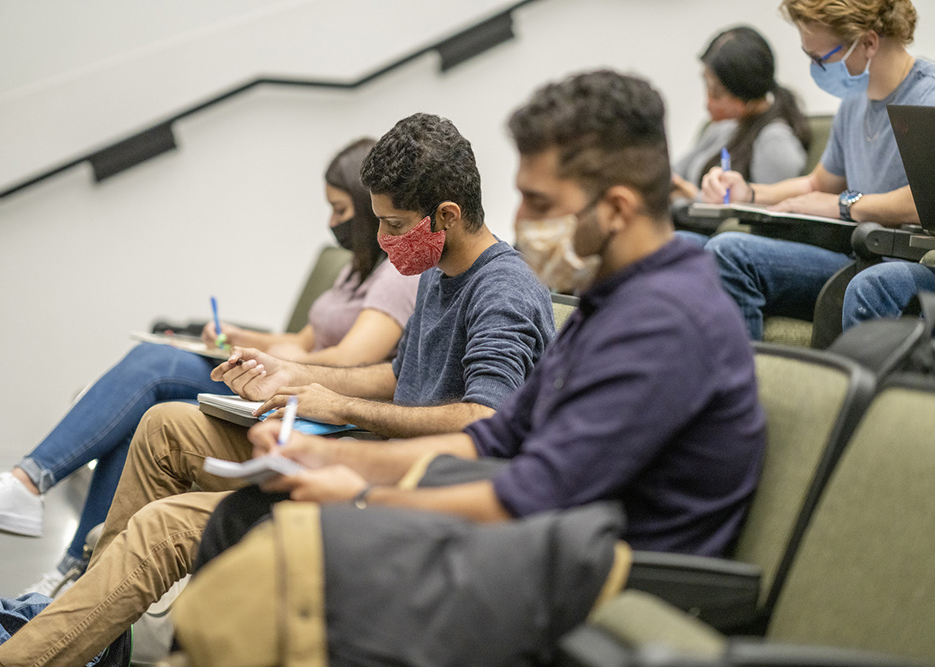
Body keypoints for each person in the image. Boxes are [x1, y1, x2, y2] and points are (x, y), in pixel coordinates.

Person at [172, 68, 766, 664]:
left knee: (287, 549)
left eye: (540, 203)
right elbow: (493, 438)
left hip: (602, 576)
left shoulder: (665, 322)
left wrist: (362, 496)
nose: (524, 221)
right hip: (541, 539)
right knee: (248, 515)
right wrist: (330, 455)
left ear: (616, 208)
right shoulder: (615, 304)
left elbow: (528, 494)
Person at [0, 111, 557, 667]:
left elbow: (483, 418)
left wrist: (338, 407)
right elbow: (399, 377)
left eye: (393, 225)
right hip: (374, 459)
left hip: (403, 497)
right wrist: (299, 376)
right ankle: (94, 637)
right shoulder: (437, 271)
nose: (380, 239)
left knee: (163, 527)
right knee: (164, 426)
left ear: (447, 215)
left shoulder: (501, 290)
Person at [0, 137, 421, 595]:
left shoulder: (395, 276)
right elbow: (302, 339)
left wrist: (276, 363)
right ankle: (69, 569)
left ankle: (27, 484)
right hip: (282, 375)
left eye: (340, 210)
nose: (333, 223)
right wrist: (237, 336)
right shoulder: (352, 271)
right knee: (142, 408)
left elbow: (346, 359)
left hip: (304, 402)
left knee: (153, 365)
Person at [700, 0, 935, 338]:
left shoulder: (928, 97)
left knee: (729, 251)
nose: (815, 68)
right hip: (860, 254)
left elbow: (924, 200)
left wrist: (845, 205)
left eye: (819, 59)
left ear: (868, 43)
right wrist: (750, 193)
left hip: (904, 263)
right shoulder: (854, 104)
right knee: (705, 248)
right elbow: (818, 183)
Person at [673, 25, 811, 245]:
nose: (706, 102)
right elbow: (675, 172)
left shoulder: (775, 142)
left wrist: (689, 195)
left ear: (743, 95)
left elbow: (767, 219)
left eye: (716, 92)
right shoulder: (723, 128)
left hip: (716, 240)